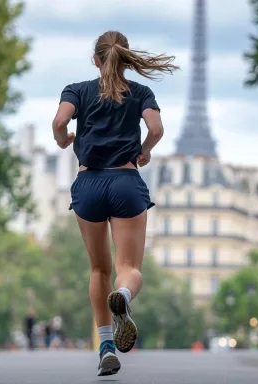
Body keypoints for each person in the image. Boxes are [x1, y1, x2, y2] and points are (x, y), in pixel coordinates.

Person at [52, 30, 178, 376]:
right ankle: (122, 294)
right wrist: (144, 152)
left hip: (88, 183)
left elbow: (60, 122)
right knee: (129, 269)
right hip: (125, 183)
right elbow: (156, 128)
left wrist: (65, 141)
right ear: (126, 60)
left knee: (98, 269)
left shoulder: (77, 90)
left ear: (96, 60)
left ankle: (106, 344)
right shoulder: (140, 92)